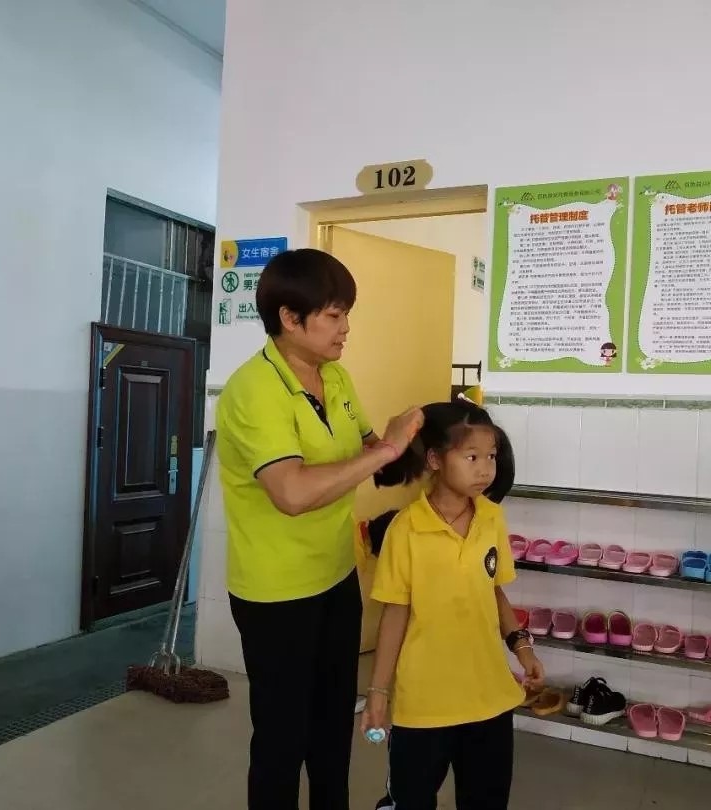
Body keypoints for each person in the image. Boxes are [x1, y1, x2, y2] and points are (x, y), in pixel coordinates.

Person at [216, 248, 423, 810]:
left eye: (346, 314)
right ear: (289, 317)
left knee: (333, 726)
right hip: (275, 591)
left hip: (335, 576)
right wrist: (384, 450)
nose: (346, 328)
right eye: (334, 315)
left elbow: (367, 453)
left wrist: (422, 443)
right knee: (283, 738)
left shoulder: (335, 377)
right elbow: (292, 493)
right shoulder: (253, 390)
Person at [360, 401, 545, 810]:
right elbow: (395, 614)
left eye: (491, 457)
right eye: (472, 457)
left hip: (490, 697)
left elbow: (493, 590)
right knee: (411, 800)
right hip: (424, 703)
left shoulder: (492, 518)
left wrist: (521, 646)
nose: (486, 469)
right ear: (435, 460)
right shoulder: (405, 529)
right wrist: (377, 691)